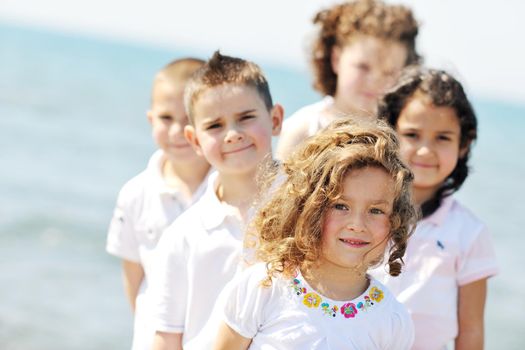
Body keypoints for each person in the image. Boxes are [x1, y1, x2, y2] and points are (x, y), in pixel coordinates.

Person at [214, 118, 419, 349]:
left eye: (376, 210)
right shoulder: (262, 288)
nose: (357, 224)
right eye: (341, 206)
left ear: (395, 220)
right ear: (308, 207)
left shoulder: (392, 321)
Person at [149, 51, 284, 350]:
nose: (233, 134)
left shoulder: (313, 205)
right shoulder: (183, 236)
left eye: (246, 118)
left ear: (275, 119)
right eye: (214, 126)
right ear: (195, 140)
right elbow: (167, 335)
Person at [374, 67, 499, 350]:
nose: (425, 150)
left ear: (464, 144)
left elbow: (471, 331)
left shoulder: (470, 233)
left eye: (442, 137)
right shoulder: (364, 211)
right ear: (389, 132)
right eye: (412, 134)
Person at [105, 57, 210, 350]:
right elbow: (134, 278)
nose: (177, 131)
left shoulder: (227, 188)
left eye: (189, 119)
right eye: (166, 118)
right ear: (151, 119)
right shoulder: (136, 193)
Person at [276, 0, 420, 160]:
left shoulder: (404, 135)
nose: (375, 81)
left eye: (388, 72)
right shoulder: (304, 128)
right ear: (336, 59)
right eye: (363, 67)